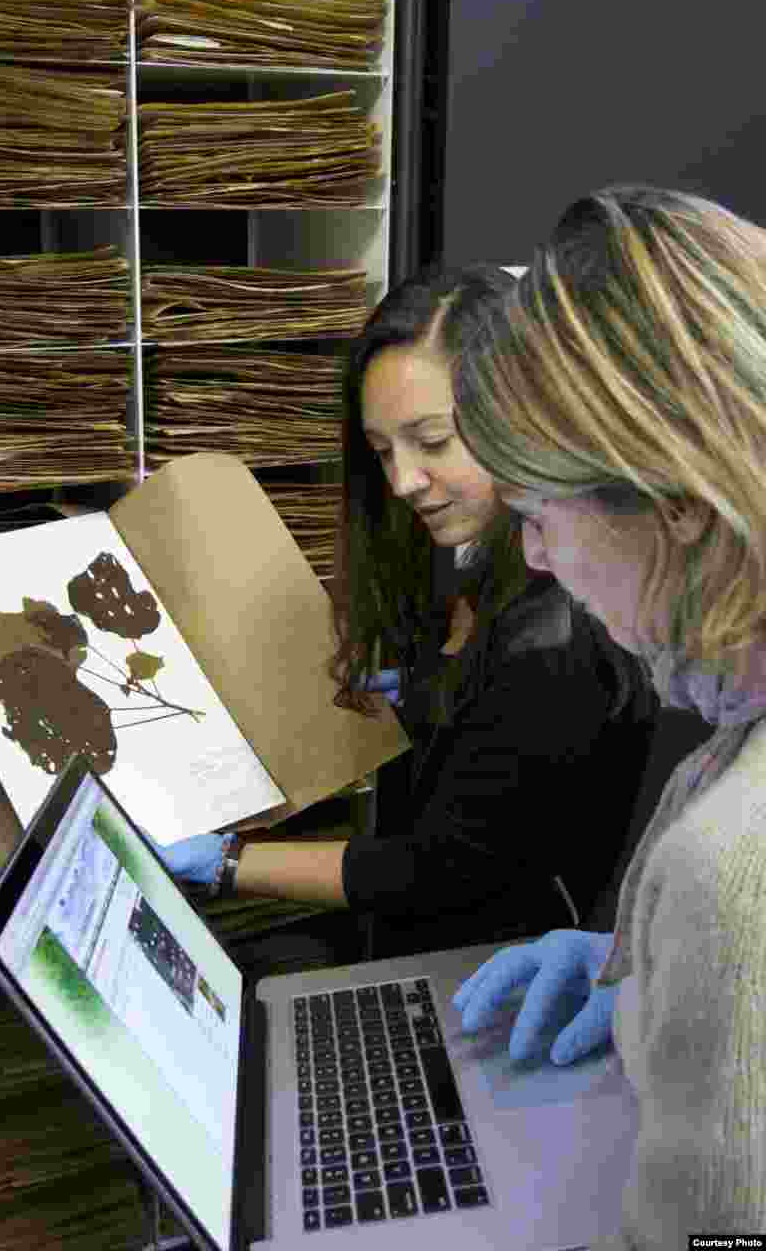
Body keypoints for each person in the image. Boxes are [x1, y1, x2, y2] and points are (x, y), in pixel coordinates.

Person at [155, 266, 658, 957]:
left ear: (524, 415)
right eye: (383, 450)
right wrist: (427, 693)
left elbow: (439, 869)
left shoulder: (555, 643)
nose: (402, 481)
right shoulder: (486, 565)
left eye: (432, 440)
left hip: (488, 972)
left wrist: (226, 860)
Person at [450, 185, 766, 1243]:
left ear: (675, 501)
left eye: (539, 514)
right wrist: (645, 989)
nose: (533, 556)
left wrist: (717, 953)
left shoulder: (731, 863)